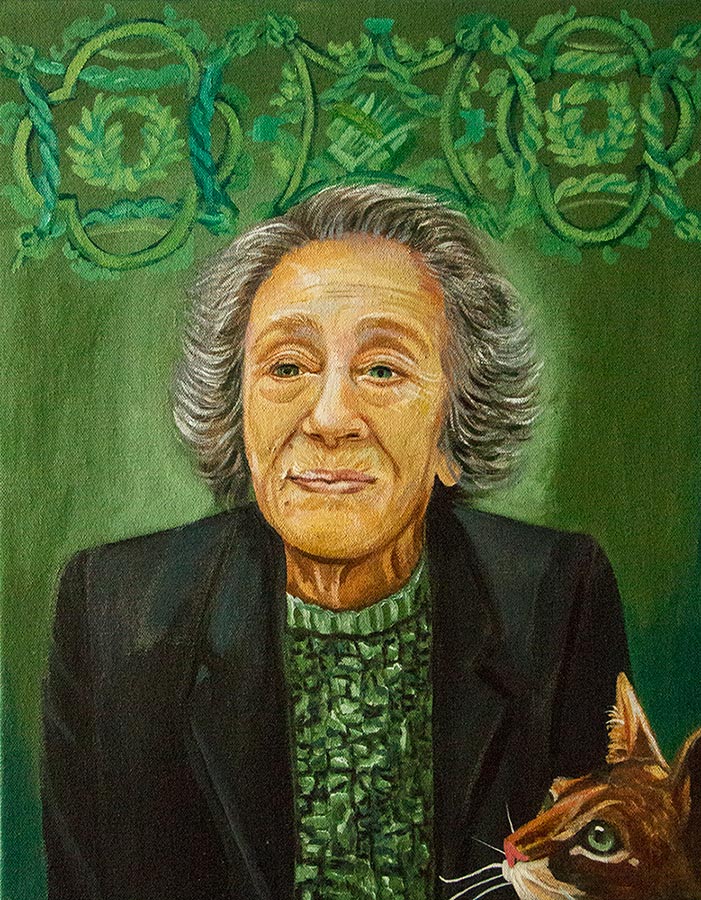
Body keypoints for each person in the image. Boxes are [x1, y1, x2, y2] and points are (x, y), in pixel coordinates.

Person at [41, 183, 630, 900]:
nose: (328, 419)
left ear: (455, 428)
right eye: (288, 367)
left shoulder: (557, 601)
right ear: (237, 413)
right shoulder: (115, 617)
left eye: (383, 369)